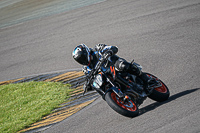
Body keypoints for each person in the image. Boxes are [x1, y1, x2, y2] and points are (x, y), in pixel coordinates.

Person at [72, 43, 153, 92]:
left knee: (123, 65)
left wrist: (109, 52)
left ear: (86, 52)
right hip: (108, 77)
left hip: (115, 65)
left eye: (82, 57)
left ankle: (146, 79)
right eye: (79, 60)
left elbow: (113, 48)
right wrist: (87, 86)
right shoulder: (86, 68)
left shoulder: (97, 49)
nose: (82, 60)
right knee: (100, 86)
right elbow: (89, 78)